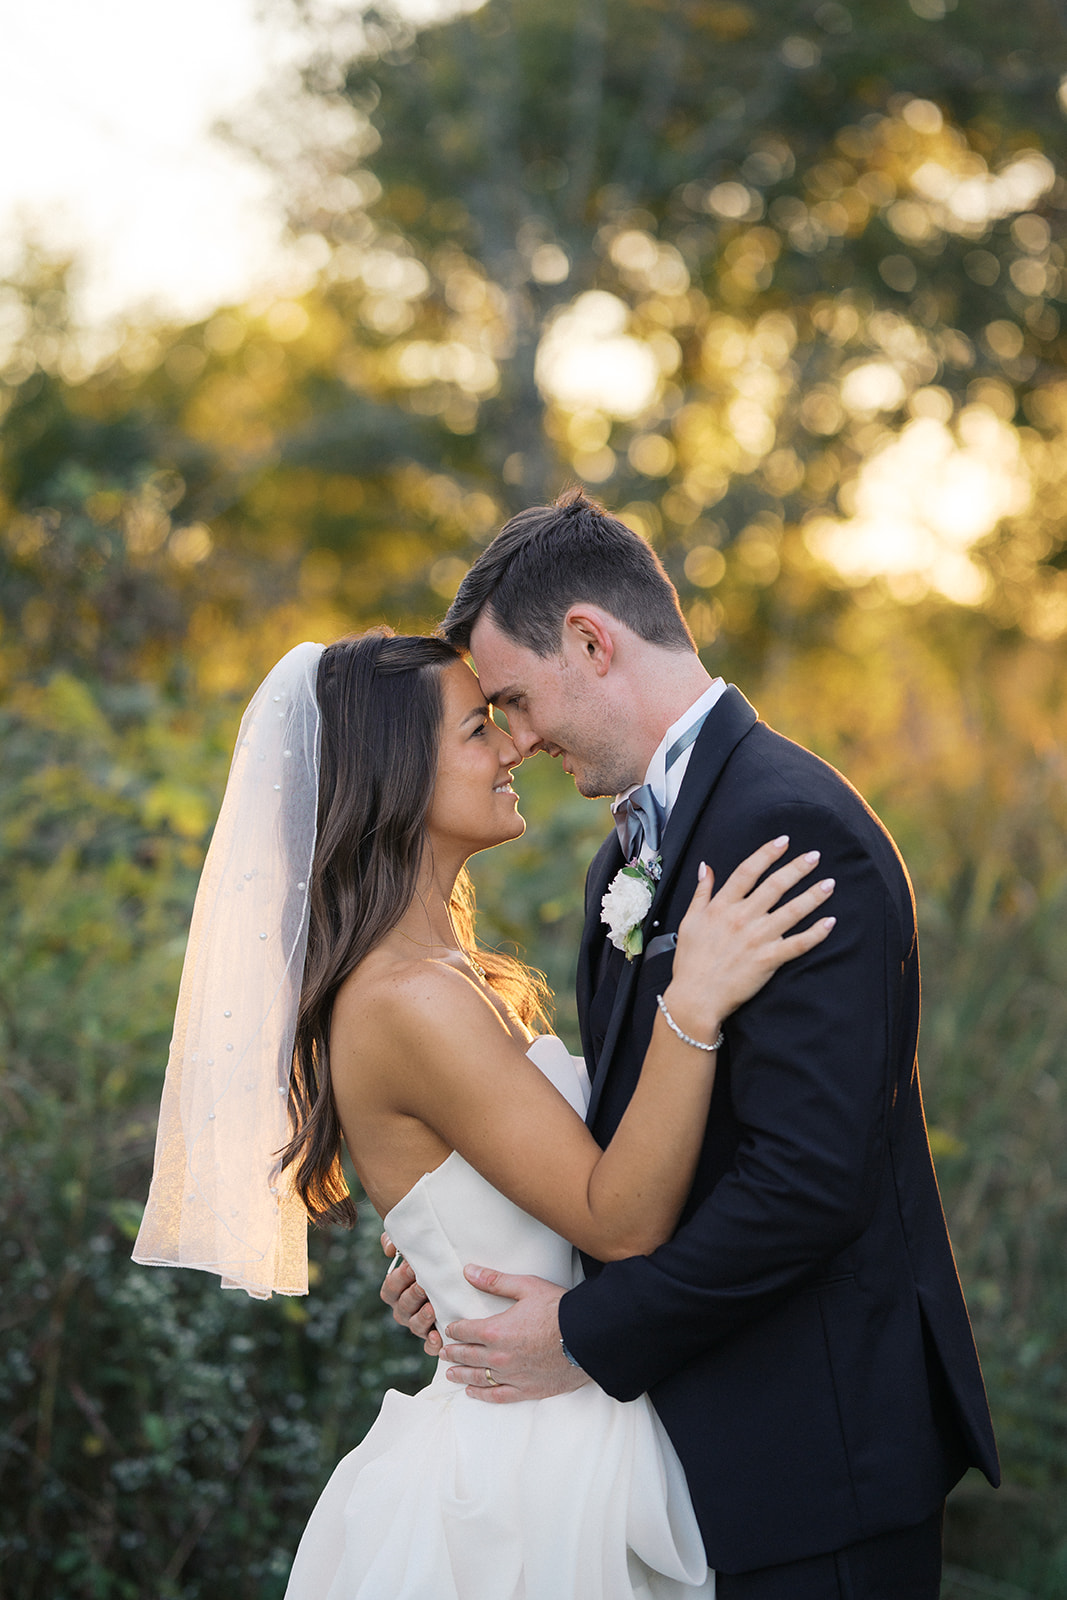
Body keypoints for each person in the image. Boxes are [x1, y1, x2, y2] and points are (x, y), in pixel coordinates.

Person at [382, 490, 1000, 1600]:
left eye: (515, 699)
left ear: (589, 640)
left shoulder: (785, 823)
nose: (516, 736)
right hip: (691, 1450)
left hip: (815, 1452)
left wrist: (578, 1330)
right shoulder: (623, 854)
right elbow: (624, 1145)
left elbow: (805, 1180)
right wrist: (475, 1261)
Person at [132, 628, 836, 1600]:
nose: (513, 747)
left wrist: (444, 1265)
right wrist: (693, 1003)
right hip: (532, 1477)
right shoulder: (406, 998)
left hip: (575, 1415)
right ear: (393, 775)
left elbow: (520, 1196)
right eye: (476, 728)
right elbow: (618, 1217)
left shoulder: (452, 977)